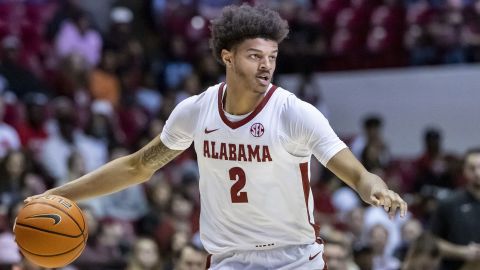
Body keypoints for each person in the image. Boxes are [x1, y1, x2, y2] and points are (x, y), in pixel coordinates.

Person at [26, 4, 407, 269]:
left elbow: (355, 173)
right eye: (255, 56)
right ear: (227, 56)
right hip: (228, 259)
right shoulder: (196, 111)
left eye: (272, 57)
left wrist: (375, 188)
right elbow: (137, 166)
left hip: (293, 259)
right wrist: (59, 195)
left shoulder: (294, 113)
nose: (266, 66)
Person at [429, 147, 480, 270]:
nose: (478, 173)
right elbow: (432, 242)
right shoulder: (449, 203)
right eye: (472, 168)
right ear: (464, 171)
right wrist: (462, 252)